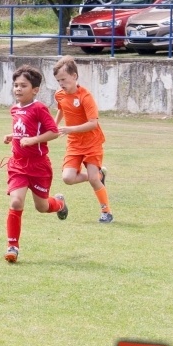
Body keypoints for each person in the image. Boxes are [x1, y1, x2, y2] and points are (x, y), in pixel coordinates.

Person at [3, 65, 67, 264]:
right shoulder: (15, 109)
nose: (18, 89)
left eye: (23, 85)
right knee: (16, 201)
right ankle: (12, 246)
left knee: (42, 207)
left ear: (35, 89)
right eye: (15, 85)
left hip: (38, 166)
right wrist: (12, 136)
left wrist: (33, 140)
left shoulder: (39, 108)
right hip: (18, 164)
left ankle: (59, 203)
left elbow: (54, 132)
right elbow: (24, 131)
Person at [53, 56, 113, 223]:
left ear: (74, 76)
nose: (61, 84)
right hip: (74, 144)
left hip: (92, 142)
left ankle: (106, 212)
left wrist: (69, 129)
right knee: (67, 178)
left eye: (64, 79)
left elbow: (93, 124)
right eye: (58, 81)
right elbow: (62, 109)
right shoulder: (59, 95)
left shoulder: (85, 97)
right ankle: (99, 176)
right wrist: (53, 126)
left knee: (93, 179)